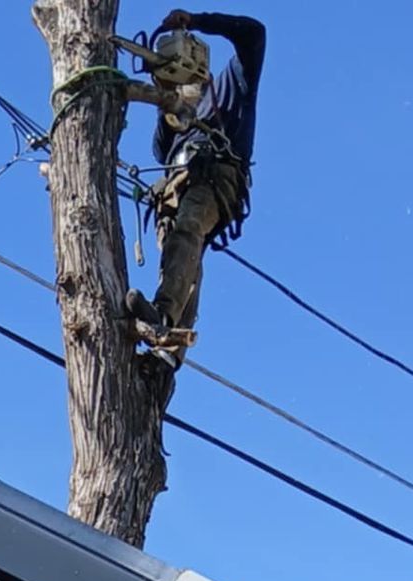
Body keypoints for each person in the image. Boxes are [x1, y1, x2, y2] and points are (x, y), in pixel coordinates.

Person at [123, 10, 265, 359]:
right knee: (182, 251)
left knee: (188, 229)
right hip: (175, 190)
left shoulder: (231, 86)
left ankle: (164, 314)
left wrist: (198, 21)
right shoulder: (176, 120)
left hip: (215, 178)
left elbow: (253, 33)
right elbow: (160, 149)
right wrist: (165, 102)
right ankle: (167, 355)